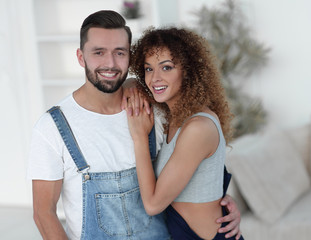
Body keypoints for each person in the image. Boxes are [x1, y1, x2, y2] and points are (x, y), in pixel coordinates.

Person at [27, 10, 241, 240]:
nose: (110, 63)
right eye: (99, 52)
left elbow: (197, 172)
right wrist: (132, 83)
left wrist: (220, 200)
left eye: (119, 53)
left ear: (129, 58)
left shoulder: (155, 111)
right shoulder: (52, 128)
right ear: (81, 57)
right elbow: (43, 213)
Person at [126, 27, 244, 240]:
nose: (155, 78)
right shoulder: (175, 116)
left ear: (188, 70)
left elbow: (153, 204)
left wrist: (139, 137)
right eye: (149, 69)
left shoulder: (198, 127)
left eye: (167, 67)